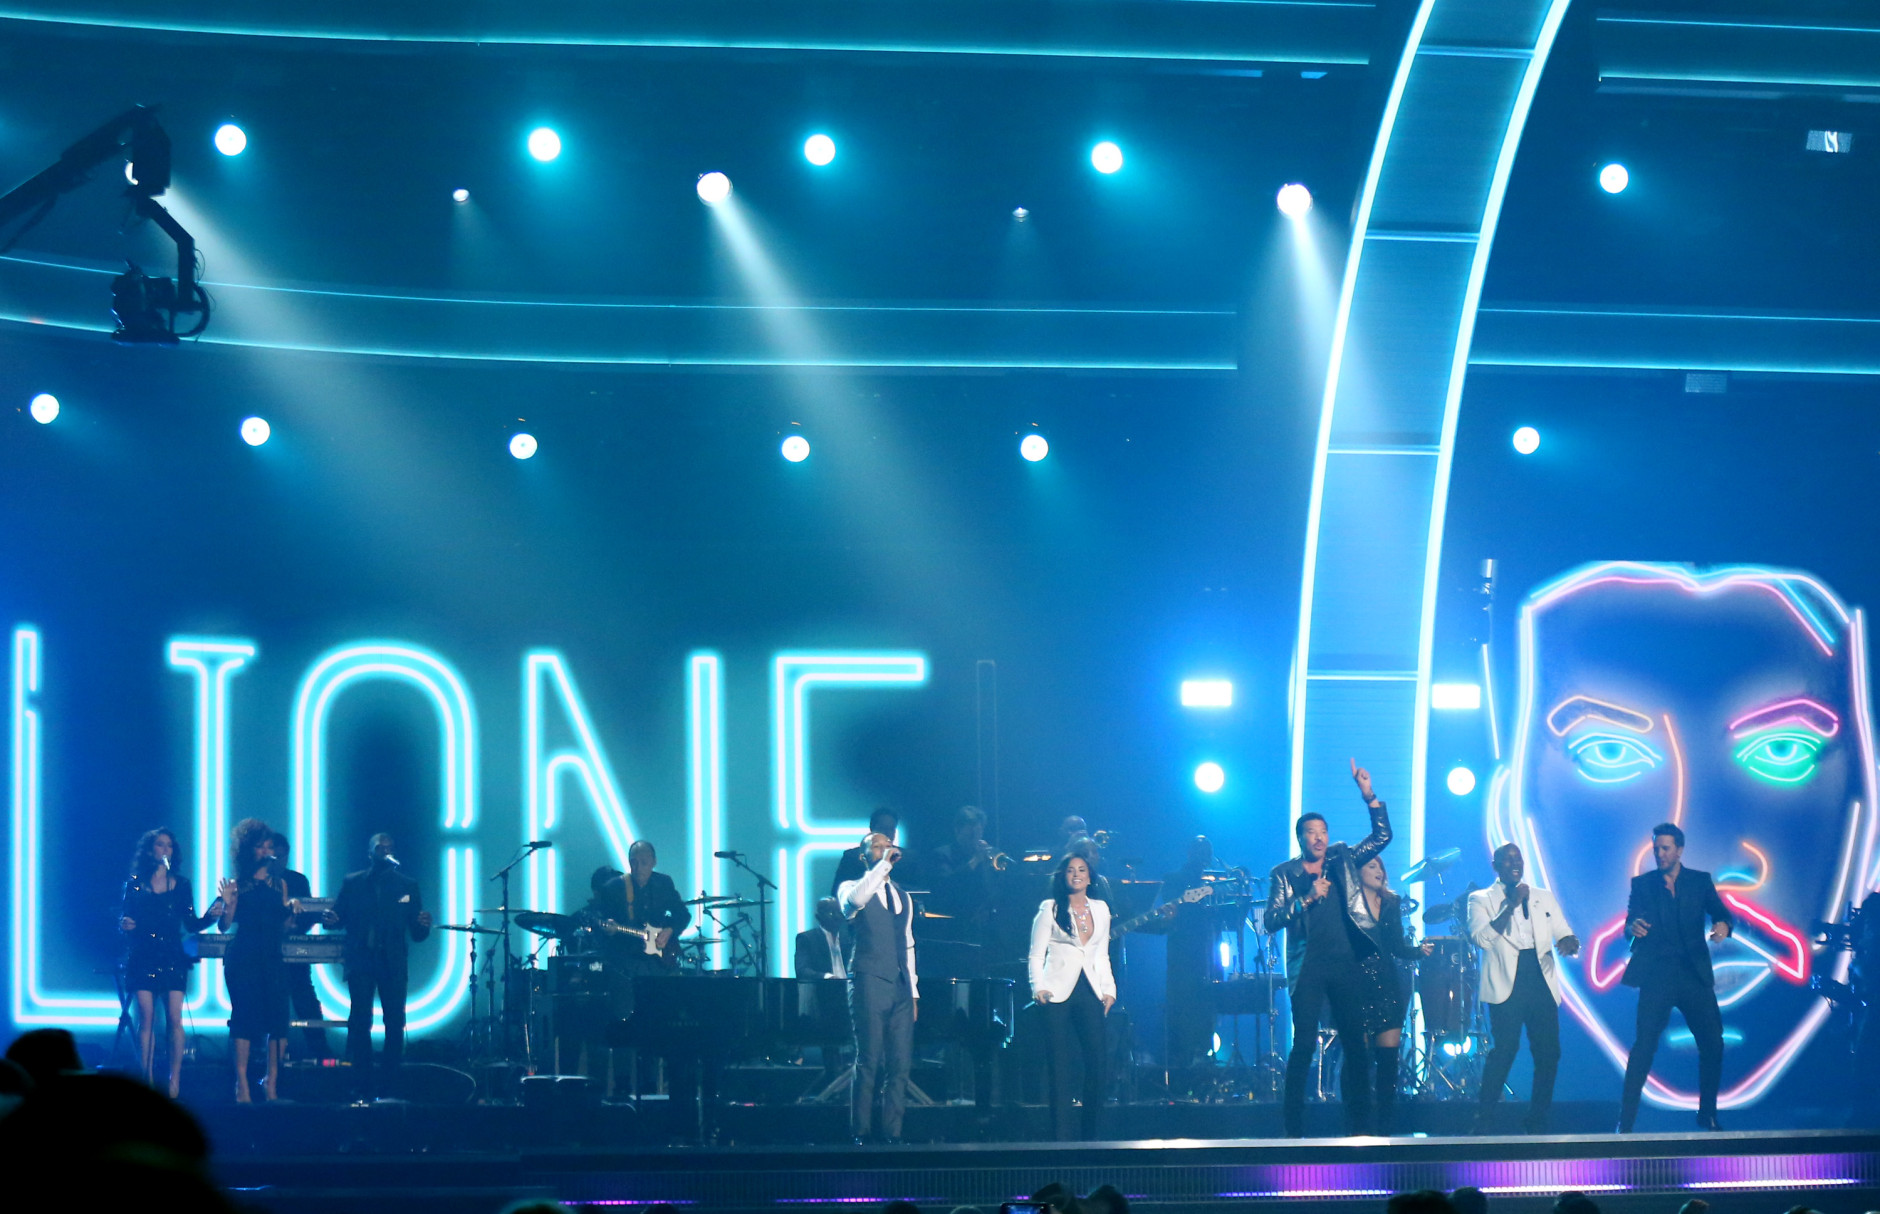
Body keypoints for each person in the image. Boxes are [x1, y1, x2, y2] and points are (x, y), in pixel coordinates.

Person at [1263, 759, 1393, 1137]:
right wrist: (1306, 898)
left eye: (1323, 832)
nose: (1318, 838)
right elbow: (1271, 920)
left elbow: (1381, 838)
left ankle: (1361, 1126)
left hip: (1345, 963)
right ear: (1300, 838)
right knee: (1304, 1044)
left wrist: (1368, 795)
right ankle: (1293, 1127)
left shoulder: (1342, 859)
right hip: (1308, 966)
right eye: (1311, 833)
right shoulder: (1284, 874)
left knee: (1356, 1044)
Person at [1618, 822, 1734, 1132]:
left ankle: (1707, 1114)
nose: (1659, 854)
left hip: (1693, 975)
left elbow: (1721, 912)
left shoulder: (1699, 881)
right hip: (1657, 975)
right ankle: (1625, 1121)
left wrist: (1723, 926)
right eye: (1656, 848)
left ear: (1679, 850)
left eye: (1665, 848)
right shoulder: (1643, 884)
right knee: (1644, 1047)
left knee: (1713, 1043)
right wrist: (1633, 928)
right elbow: (1630, 922)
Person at [1467, 842, 1579, 1133]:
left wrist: (1569, 941)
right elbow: (1481, 939)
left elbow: (1563, 931)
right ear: (1495, 866)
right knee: (1505, 1050)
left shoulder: (1542, 897)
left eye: (1518, 859)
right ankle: (1484, 1118)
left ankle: (1537, 1119)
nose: (1515, 864)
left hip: (1539, 977)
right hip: (1507, 981)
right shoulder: (1480, 899)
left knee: (1548, 1052)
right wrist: (1511, 905)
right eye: (1507, 860)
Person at [330, 832, 433, 1101]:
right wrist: (330, 918)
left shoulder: (407, 885)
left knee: (395, 1022)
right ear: (370, 852)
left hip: (392, 960)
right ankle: (362, 1083)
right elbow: (338, 917)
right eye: (380, 848)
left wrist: (424, 925)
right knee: (360, 1021)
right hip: (362, 959)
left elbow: (417, 932)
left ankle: (389, 1084)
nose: (386, 852)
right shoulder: (353, 882)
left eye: (390, 848)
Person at [118, 827, 220, 1097]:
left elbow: (192, 923)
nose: (165, 850)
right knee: (146, 1017)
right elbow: (125, 920)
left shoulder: (181, 885)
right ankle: (147, 1079)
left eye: (169, 846)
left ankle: (175, 1079)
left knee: (175, 1018)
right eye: (160, 845)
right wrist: (125, 925)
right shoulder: (134, 883)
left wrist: (213, 914)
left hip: (172, 955)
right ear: (150, 850)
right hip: (143, 955)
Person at [839, 831, 919, 1144]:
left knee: (900, 1064)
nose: (886, 848)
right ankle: (860, 1132)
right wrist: (882, 866)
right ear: (864, 856)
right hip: (869, 979)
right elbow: (855, 902)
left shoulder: (903, 895)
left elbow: (908, 943)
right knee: (869, 1059)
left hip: (900, 986)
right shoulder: (851, 886)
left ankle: (892, 1135)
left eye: (889, 845)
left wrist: (913, 991)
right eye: (878, 846)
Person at [1029, 853, 1116, 1140]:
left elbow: (1101, 954)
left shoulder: (1101, 909)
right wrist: (1038, 986)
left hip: (1089, 989)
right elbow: (1036, 954)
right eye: (1070, 870)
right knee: (1060, 1065)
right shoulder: (1050, 908)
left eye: (1081, 870)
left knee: (1098, 1061)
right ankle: (1061, 1137)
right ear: (1063, 876)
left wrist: (1109, 989)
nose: (1076, 874)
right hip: (1056, 992)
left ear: (1090, 877)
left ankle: (1092, 1134)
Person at [216, 818, 296, 1102]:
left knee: (278, 1019)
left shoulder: (280, 885)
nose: (266, 851)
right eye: (260, 846)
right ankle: (242, 1083)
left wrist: (291, 913)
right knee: (244, 1018)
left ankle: (270, 1081)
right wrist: (227, 903)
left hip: (272, 957)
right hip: (244, 957)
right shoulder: (238, 885)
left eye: (269, 847)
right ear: (248, 850)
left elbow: (283, 927)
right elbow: (224, 926)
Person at [1354, 856, 1432, 1134]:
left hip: (1387, 985)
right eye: (1372, 866)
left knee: (1388, 1059)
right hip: (1356, 986)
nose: (1379, 871)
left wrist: (1418, 951)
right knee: (1360, 1061)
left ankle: (1385, 1126)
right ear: (1357, 872)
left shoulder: (1391, 902)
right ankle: (1359, 1126)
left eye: (1381, 867)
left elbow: (1397, 945)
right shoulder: (1347, 904)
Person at [1155, 835, 1222, 1069]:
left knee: (1208, 999)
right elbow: (1170, 905)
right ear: (1190, 852)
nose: (1205, 855)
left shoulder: (1214, 879)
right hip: (1182, 949)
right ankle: (1180, 1057)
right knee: (1182, 1000)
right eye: (1201, 850)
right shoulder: (1173, 878)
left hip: (1209, 947)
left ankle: (1204, 1052)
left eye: (1208, 851)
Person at [268, 830, 332, 1059]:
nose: (279, 861)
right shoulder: (257, 881)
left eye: (283, 856)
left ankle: (319, 1050)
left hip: (295, 950)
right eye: (275, 856)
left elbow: (309, 914)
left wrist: (295, 927)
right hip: (266, 951)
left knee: (305, 999)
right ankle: (267, 1053)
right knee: (268, 1002)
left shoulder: (297, 880)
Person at [594, 840, 691, 974]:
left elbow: (683, 915)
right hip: (626, 961)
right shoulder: (613, 888)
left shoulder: (663, 883)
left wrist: (670, 930)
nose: (638, 868)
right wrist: (608, 930)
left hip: (659, 962)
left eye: (644, 863)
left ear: (654, 862)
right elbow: (601, 926)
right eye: (634, 862)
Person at [795, 896, 852, 1081]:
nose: (836, 917)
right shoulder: (807, 938)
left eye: (838, 912)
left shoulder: (849, 939)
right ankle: (833, 1076)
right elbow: (802, 970)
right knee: (831, 1034)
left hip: (851, 992)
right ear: (819, 917)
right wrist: (827, 977)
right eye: (831, 913)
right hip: (824, 996)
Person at [831, 808, 903, 895]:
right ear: (872, 829)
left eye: (891, 829)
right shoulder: (851, 857)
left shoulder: (904, 858)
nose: (887, 833)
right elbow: (837, 891)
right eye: (883, 828)